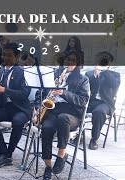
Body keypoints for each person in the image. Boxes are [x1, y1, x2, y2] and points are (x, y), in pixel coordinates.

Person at [39, 50, 90, 180]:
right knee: (46, 128)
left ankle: (61, 154)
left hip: (72, 115)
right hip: (54, 110)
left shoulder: (83, 79)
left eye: (73, 60)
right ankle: (48, 167)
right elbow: (41, 92)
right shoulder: (54, 75)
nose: (70, 62)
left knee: (63, 118)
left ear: (77, 63)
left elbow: (83, 101)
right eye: (68, 60)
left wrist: (63, 93)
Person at [0, 43, 32, 168]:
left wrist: (3, 90)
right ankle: (3, 152)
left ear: (16, 56)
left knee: (17, 121)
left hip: (22, 108)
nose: (5, 58)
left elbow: (24, 94)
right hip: (6, 107)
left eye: (9, 55)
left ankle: (7, 154)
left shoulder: (22, 72)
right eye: (4, 55)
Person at [86, 52, 120, 150]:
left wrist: (104, 71)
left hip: (105, 103)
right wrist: (95, 76)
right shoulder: (89, 74)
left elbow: (114, 85)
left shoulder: (115, 75)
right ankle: (77, 135)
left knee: (99, 112)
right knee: (76, 106)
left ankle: (94, 139)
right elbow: (86, 88)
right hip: (91, 101)